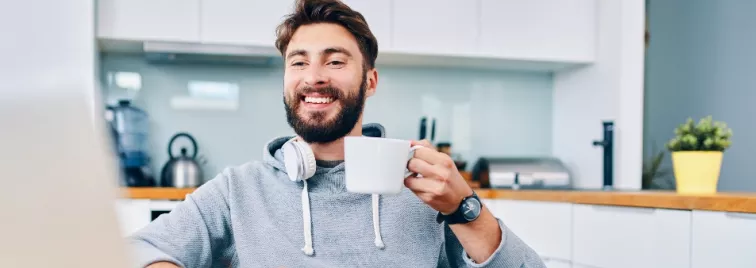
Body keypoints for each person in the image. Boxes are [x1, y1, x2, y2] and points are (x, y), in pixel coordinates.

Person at [129, 0, 545, 267]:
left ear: (371, 81)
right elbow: (137, 251)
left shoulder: (427, 192)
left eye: (335, 62)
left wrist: (465, 208)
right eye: (298, 62)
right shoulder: (238, 191)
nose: (314, 77)